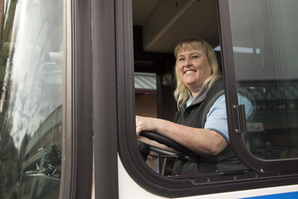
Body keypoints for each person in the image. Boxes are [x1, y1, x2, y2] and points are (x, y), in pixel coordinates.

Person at [136, 38, 252, 175]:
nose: (187, 64)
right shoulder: (187, 103)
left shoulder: (226, 96)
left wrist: (155, 124)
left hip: (218, 183)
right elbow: (174, 144)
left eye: (194, 57)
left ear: (211, 63)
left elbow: (214, 143)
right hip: (190, 180)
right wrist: (136, 135)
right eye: (181, 59)